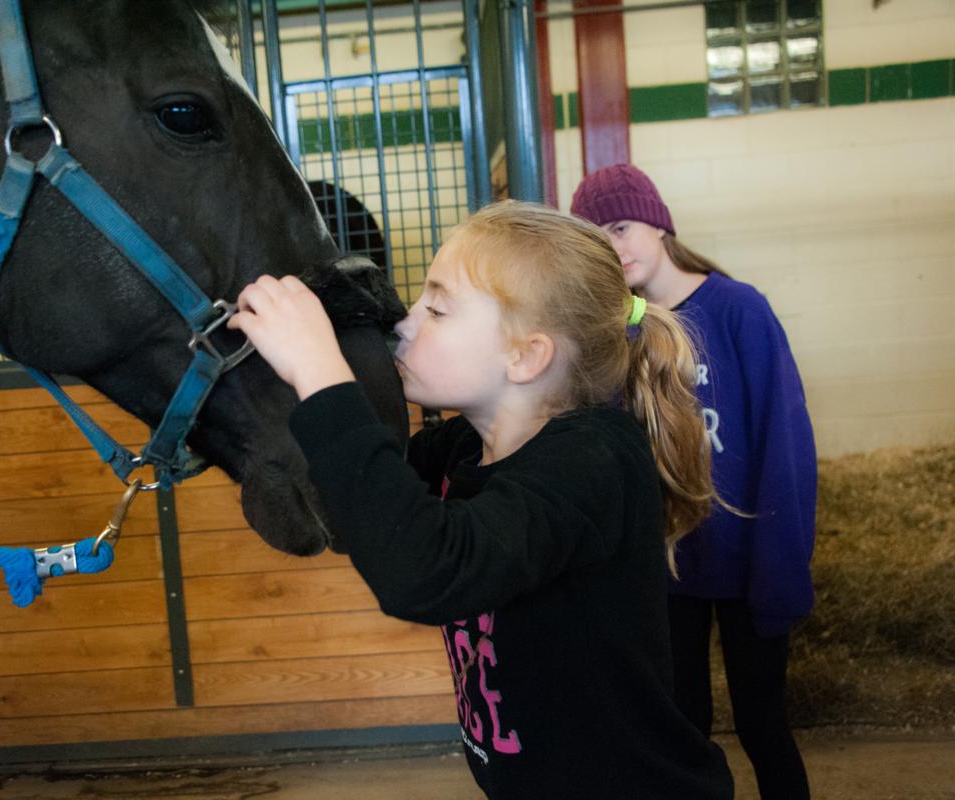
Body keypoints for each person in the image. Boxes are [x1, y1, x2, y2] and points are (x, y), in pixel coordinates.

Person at [227, 201, 734, 799]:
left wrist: (320, 369)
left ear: (525, 356)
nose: (408, 323)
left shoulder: (596, 460)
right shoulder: (464, 447)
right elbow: (363, 506)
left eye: (438, 309)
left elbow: (424, 570)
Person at [572, 164, 816, 800]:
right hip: (667, 570)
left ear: (658, 223)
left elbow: (783, 444)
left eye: (621, 226)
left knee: (765, 727)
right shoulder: (621, 332)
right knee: (684, 733)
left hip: (745, 564)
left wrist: (781, 567)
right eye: (597, 237)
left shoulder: (739, 311)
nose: (615, 245)